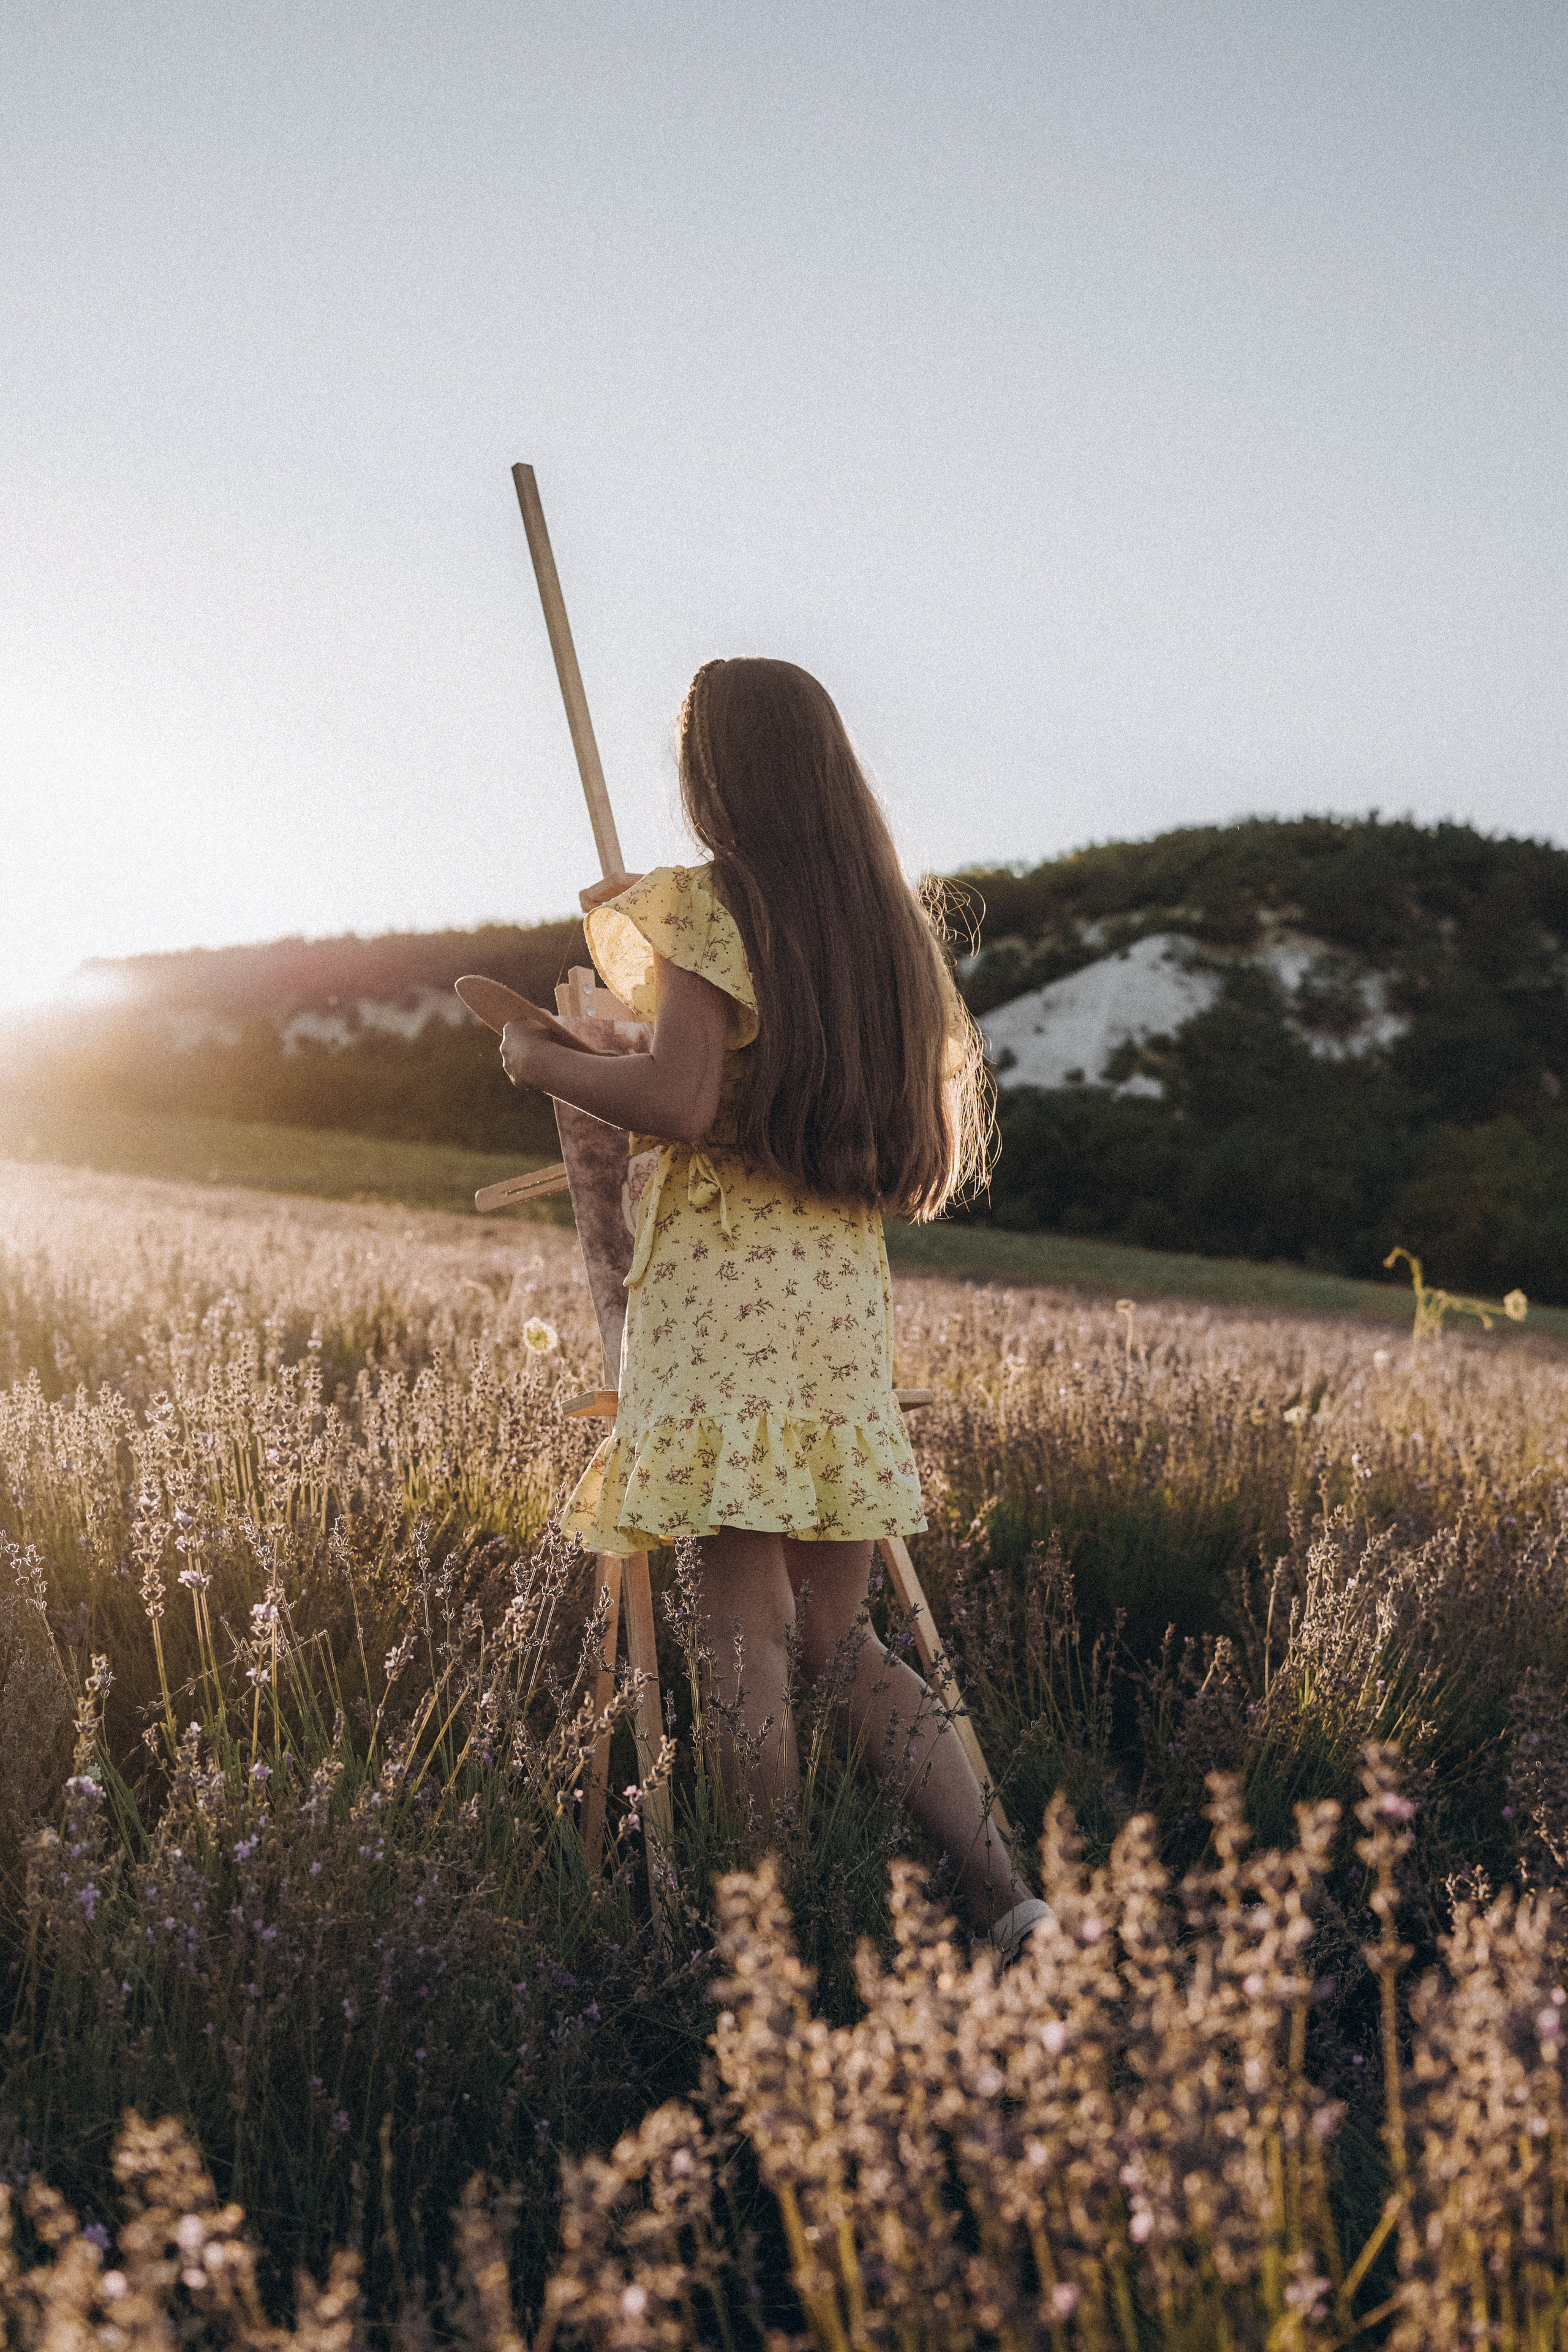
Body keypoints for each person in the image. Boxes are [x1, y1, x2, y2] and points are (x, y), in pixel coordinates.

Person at [499, 656, 1044, 1956]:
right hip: (835, 1307)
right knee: (835, 1636)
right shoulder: (883, 929)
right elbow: (744, 1081)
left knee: (742, 1636)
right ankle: (1013, 1903)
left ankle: (770, 1942)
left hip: (722, 1303)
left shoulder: (711, 904)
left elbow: (682, 1103)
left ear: (713, 772)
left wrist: (540, 1060)